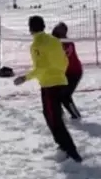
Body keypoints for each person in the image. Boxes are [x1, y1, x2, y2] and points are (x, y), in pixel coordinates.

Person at [13, 16, 82, 162]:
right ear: (44, 26)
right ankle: (65, 147)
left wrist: (25, 78)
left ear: (30, 29)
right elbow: (64, 61)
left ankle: (70, 151)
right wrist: (59, 74)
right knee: (52, 116)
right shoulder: (55, 41)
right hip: (61, 81)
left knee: (54, 119)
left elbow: (41, 68)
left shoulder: (36, 45)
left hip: (50, 86)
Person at [52, 22, 83, 119]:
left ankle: (76, 116)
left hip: (74, 72)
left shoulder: (66, 43)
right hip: (65, 72)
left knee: (65, 97)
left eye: (59, 30)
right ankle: (59, 114)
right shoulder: (58, 42)